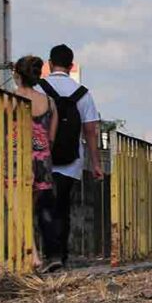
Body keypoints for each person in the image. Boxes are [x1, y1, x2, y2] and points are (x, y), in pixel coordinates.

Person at [38, 44, 103, 269]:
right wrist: (95, 164)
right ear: (71, 66)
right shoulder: (83, 94)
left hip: (41, 158)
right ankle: (62, 256)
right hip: (71, 161)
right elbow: (91, 131)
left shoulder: (39, 88)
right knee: (63, 206)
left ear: (49, 63)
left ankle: (50, 254)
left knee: (44, 206)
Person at [13, 56, 57, 270]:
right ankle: (30, 254)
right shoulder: (49, 102)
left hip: (17, 160)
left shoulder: (11, 98)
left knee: (16, 209)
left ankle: (33, 256)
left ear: (17, 75)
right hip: (42, 161)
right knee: (28, 210)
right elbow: (51, 137)